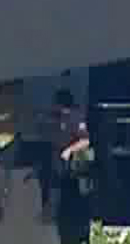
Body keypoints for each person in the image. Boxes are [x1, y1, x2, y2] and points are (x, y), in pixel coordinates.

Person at [39, 89, 92, 222]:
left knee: (75, 188)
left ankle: (79, 217)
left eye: (55, 103)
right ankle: (51, 214)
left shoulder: (76, 117)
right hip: (57, 155)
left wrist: (70, 150)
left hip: (74, 158)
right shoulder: (56, 116)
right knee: (54, 184)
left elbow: (85, 141)